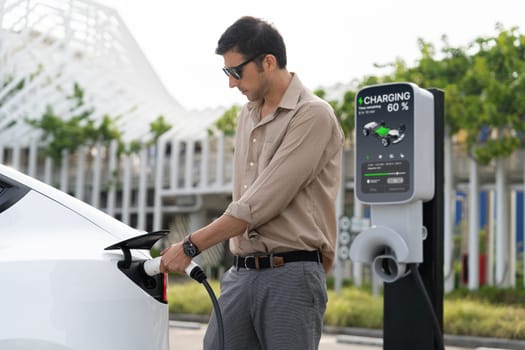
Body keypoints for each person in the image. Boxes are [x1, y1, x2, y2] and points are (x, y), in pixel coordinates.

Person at [160, 16, 344, 350]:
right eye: (226, 73)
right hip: (241, 272)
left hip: (291, 273)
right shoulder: (248, 114)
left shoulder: (312, 115)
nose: (232, 84)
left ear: (268, 62)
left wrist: (190, 246)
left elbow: (260, 203)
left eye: (236, 72)